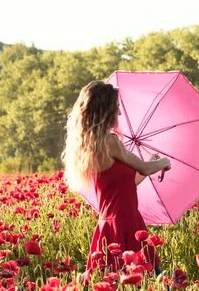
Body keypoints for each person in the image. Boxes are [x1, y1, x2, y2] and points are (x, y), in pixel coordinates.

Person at [62, 80, 171, 275]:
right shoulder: (110, 141)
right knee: (148, 278)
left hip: (114, 223)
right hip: (124, 224)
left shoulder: (90, 145)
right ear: (106, 110)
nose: (119, 113)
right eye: (117, 107)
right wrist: (163, 162)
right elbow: (145, 169)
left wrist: (149, 164)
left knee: (118, 279)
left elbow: (129, 183)